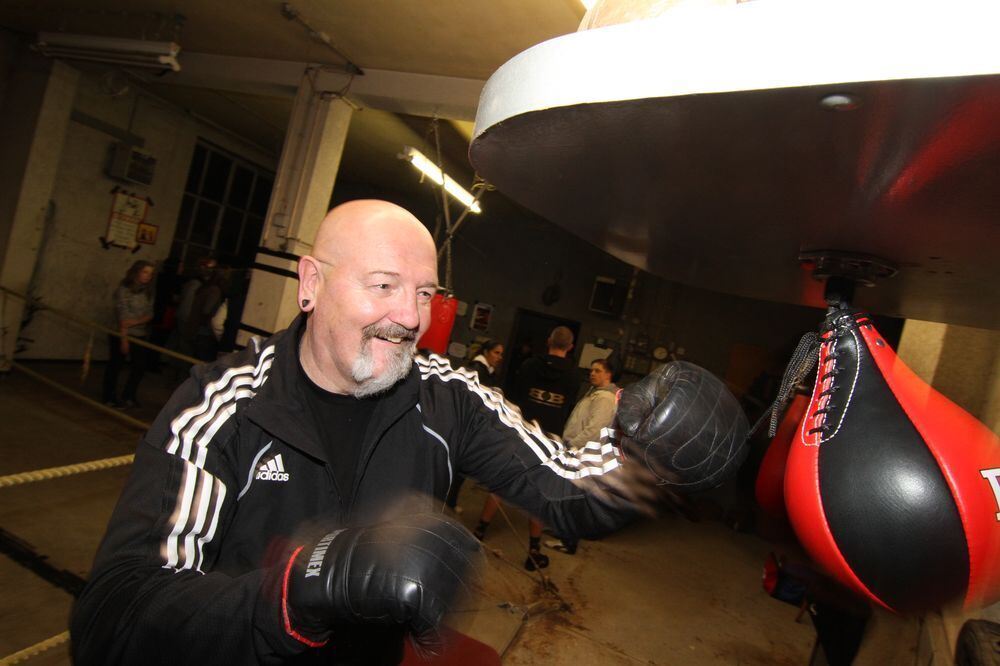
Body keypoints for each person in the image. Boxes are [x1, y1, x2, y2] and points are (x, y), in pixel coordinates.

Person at [71, 200, 716, 666]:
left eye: (426, 293)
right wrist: (299, 591)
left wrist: (650, 455)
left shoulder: (449, 397)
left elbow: (566, 486)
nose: (409, 317)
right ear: (312, 284)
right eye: (383, 286)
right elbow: (117, 618)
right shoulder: (223, 407)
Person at [473, 326, 579, 570]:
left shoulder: (530, 365)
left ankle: (479, 532)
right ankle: (533, 550)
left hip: (522, 432)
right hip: (549, 438)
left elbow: (516, 398)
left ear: (548, 340)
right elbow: (568, 407)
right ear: (571, 347)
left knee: (502, 481)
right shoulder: (573, 376)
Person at [549, 357, 619, 555]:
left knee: (573, 498)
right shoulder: (596, 393)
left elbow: (594, 430)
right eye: (592, 370)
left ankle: (569, 541)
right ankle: (562, 532)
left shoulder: (605, 399)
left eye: (598, 370)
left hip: (583, 452)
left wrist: (571, 444)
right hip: (577, 450)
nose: (592, 373)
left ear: (608, 374)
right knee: (566, 495)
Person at [444, 340, 505, 513]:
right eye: (496, 353)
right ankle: (446, 502)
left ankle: (449, 501)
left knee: (460, 468)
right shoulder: (478, 368)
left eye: (501, 354)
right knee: (458, 468)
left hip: (471, 425)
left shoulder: (487, 370)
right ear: (486, 352)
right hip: (467, 425)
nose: (499, 357)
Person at [101, 260, 155, 408]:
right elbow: (122, 317)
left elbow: (150, 314)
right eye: (145, 272)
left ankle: (129, 395)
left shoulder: (148, 292)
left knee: (139, 366)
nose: (148, 276)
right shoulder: (124, 290)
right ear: (137, 272)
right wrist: (124, 338)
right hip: (120, 333)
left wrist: (134, 322)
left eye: (150, 274)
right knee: (116, 365)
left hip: (139, 333)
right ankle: (109, 396)